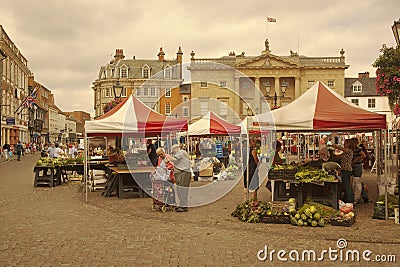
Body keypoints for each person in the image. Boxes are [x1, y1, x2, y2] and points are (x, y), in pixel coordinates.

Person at [330, 139, 355, 203]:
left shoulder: (348, 150)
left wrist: (332, 145)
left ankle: (350, 200)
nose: (344, 144)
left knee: (346, 186)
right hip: (345, 169)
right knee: (345, 185)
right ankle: (348, 198)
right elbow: (339, 156)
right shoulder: (346, 152)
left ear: (349, 144)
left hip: (346, 169)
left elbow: (340, 148)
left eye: (346, 143)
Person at [167, 144, 191, 212]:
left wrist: (168, 159)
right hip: (184, 173)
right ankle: (183, 205)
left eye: (173, 152)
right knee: (182, 190)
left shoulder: (180, 152)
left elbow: (175, 159)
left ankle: (183, 206)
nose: (173, 153)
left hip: (182, 173)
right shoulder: (183, 152)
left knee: (181, 190)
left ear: (175, 149)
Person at [351, 138, 367, 204]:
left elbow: (364, 155)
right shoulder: (353, 148)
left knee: (357, 181)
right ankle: (365, 196)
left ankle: (358, 197)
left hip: (357, 166)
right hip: (354, 165)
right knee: (359, 182)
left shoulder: (358, 148)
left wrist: (356, 160)